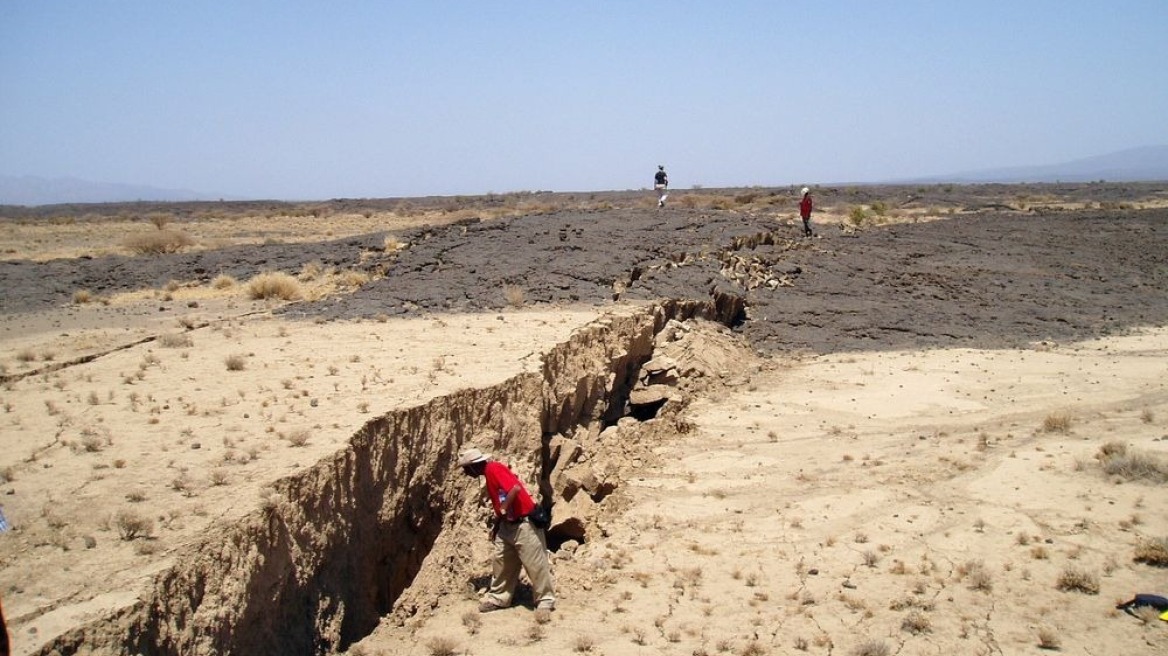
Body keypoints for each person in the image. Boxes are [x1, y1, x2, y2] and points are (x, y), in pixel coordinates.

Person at [458, 447, 556, 612]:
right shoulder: (488, 474)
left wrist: (503, 508)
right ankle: (499, 598)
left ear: (473, 466)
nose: (466, 473)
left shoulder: (494, 468)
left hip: (524, 524)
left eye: (466, 469)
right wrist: (496, 526)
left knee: (535, 563)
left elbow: (514, 489)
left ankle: (545, 600)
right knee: (501, 561)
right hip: (507, 525)